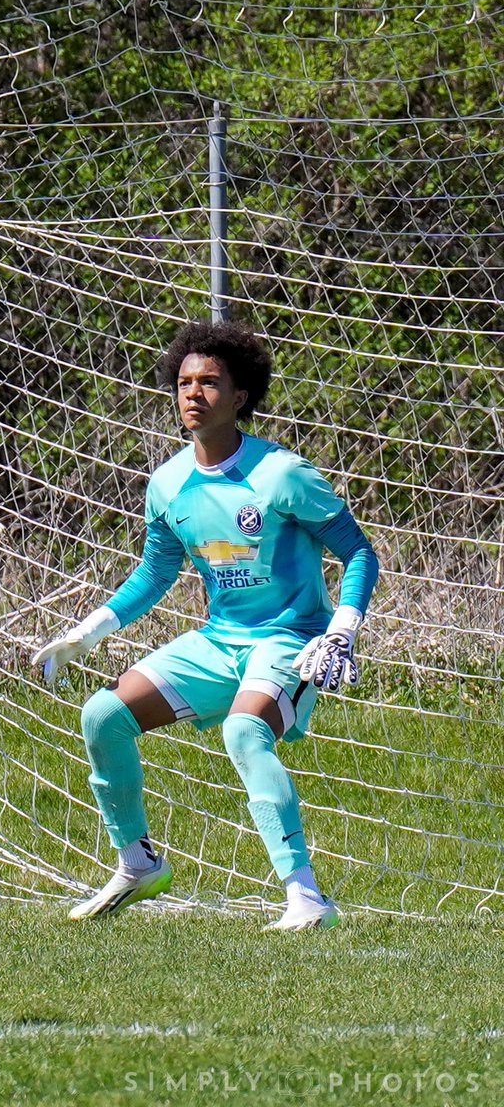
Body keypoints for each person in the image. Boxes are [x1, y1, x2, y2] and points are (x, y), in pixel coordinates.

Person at [33, 319, 379, 930]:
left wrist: (343, 627)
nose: (193, 393)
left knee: (246, 733)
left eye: (211, 382)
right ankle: (137, 862)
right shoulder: (167, 484)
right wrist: (88, 632)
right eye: (185, 382)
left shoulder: (283, 474)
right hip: (220, 642)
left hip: (292, 641)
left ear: (240, 397)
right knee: (102, 716)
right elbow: (154, 573)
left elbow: (358, 551)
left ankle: (305, 897)